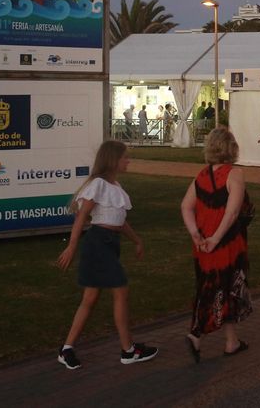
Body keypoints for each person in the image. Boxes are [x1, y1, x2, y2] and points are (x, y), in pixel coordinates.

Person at [55, 140, 157, 369]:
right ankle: (128, 350)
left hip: (109, 244)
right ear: (113, 160)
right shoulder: (98, 185)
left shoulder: (116, 187)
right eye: (125, 157)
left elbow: (119, 221)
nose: (128, 160)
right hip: (98, 243)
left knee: (90, 298)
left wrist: (137, 240)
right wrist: (72, 246)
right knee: (120, 290)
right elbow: (81, 217)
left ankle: (67, 348)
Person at [181, 127, 253, 361]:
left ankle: (231, 341)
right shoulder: (234, 174)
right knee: (222, 289)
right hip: (226, 245)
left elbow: (186, 206)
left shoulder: (201, 176)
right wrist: (216, 238)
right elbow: (232, 213)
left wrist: (195, 234)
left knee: (210, 288)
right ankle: (195, 333)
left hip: (203, 245)